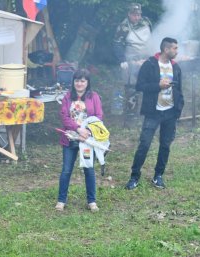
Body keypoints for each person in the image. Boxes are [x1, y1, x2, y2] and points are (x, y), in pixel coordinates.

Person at [125, 38, 184, 191]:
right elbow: (140, 86)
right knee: (144, 144)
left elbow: (179, 89)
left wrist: (178, 108)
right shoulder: (150, 64)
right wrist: (158, 86)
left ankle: (158, 176)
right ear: (166, 49)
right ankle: (134, 176)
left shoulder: (175, 67)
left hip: (170, 113)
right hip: (153, 113)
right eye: (175, 48)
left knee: (165, 146)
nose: (177, 51)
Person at [56, 69, 104, 212]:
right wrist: (78, 129)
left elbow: (99, 116)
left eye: (83, 81)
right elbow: (64, 117)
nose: (79, 83)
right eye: (77, 80)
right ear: (73, 82)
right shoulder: (67, 97)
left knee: (89, 169)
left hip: (87, 140)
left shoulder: (94, 97)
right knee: (66, 170)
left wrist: (87, 131)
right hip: (70, 138)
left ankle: (92, 201)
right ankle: (61, 200)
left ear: (87, 82)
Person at [113, 4, 153, 95]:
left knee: (149, 81)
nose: (137, 17)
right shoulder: (123, 27)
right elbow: (117, 44)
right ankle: (131, 101)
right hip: (132, 59)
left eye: (138, 15)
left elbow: (151, 36)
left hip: (147, 56)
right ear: (129, 14)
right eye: (134, 15)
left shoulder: (146, 22)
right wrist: (122, 60)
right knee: (132, 84)